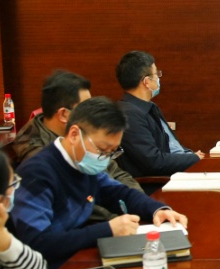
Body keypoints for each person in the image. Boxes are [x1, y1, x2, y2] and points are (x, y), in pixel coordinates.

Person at [10, 97, 189, 269]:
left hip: (81, 256)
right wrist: (108, 230)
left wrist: (157, 210)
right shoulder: (37, 173)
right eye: (102, 150)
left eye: (112, 151)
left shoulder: (81, 163)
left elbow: (118, 193)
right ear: (74, 134)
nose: (105, 158)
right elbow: (38, 243)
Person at [13, 69, 139, 219]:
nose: (92, 113)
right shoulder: (37, 154)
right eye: (85, 108)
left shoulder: (85, 134)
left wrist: (138, 203)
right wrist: (119, 217)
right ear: (64, 114)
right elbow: (79, 201)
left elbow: (117, 173)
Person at [114, 51, 203, 178]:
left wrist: (190, 156)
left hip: (175, 174)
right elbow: (154, 162)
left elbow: (170, 146)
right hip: (158, 183)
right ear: (147, 82)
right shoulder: (129, 115)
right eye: (156, 74)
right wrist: (194, 158)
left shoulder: (150, 107)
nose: (159, 78)